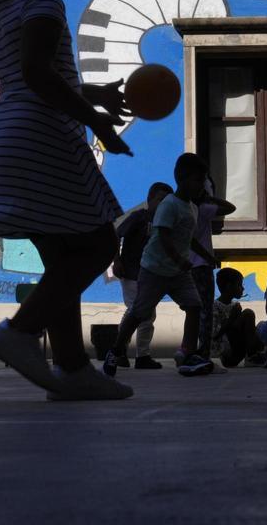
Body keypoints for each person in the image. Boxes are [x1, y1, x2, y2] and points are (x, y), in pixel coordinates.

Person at [0, 0, 134, 401]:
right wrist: (99, 124)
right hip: (42, 132)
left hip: (6, 131)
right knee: (100, 245)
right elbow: (39, 76)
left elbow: (27, 75)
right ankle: (20, 332)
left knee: (63, 254)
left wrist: (95, 93)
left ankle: (70, 366)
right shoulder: (44, 1)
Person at [103, 153, 215, 378]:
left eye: (203, 181)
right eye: (197, 180)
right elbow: (163, 235)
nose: (201, 186)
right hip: (154, 270)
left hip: (177, 273)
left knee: (194, 306)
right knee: (139, 313)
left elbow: (188, 237)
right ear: (181, 179)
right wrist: (178, 260)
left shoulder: (192, 207)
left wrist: (206, 255)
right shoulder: (169, 205)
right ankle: (115, 351)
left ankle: (188, 353)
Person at [111, 182, 172, 370]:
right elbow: (116, 234)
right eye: (160, 200)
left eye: (167, 202)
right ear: (149, 200)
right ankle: (141, 355)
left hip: (151, 274)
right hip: (131, 272)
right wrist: (117, 260)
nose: (163, 205)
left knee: (137, 313)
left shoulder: (167, 223)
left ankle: (120, 352)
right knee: (141, 313)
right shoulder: (139, 217)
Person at [189, 176, 236, 358]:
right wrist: (210, 198)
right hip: (201, 265)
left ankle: (190, 348)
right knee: (205, 310)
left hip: (187, 265)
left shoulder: (186, 209)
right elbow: (231, 208)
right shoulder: (204, 209)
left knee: (192, 310)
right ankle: (203, 352)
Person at [211, 267, 261, 368]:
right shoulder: (215, 306)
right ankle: (251, 356)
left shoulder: (235, 305)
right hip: (223, 355)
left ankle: (254, 355)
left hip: (236, 352)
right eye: (239, 285)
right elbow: (214, 334)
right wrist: (232, 318)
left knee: (262, 328)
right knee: (248, 313)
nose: (242, 289)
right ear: (229, 286)